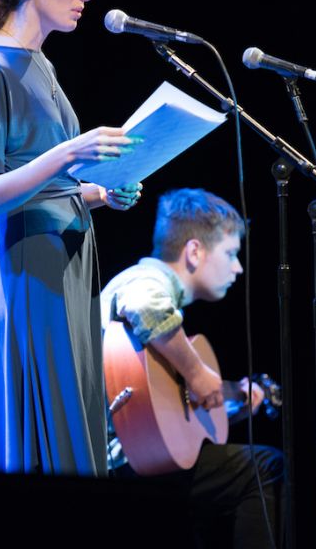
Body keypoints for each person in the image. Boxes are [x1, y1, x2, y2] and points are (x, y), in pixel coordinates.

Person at [0, 0, 143, 479]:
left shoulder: (41, 64)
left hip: (69, 260)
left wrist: (96, 194)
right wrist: (67, 155)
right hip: (32, 271)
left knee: (73, 420)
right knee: (48, 437)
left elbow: (47, 187)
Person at [101, 188, 284, 549]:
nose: (238, 268)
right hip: (121, 463)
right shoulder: (145, 281)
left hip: (144, 457)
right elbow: (142, 304)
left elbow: (164, 422)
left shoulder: (166, 312)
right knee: (265, 466)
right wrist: (198, 373)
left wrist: (228, 405)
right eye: (231, 254)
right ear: (194, 251)